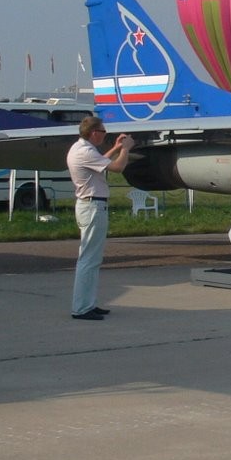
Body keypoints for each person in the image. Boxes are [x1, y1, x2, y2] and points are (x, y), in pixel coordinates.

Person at [65, 115, 134, 320]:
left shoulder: (80, 149)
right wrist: (125, 149)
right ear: (94, 132)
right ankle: (81, 307)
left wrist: (114, 147)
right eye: (103, 132)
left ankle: (87, 303)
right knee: (89, 259)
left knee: (91, 259)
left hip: (90, 205)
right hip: (93, 205)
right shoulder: (86, 152)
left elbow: (101, 161)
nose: (105, 135)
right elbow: (117, 167)